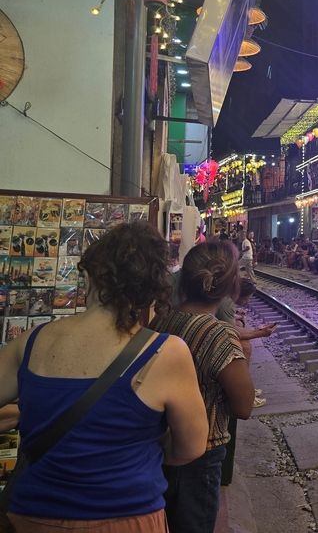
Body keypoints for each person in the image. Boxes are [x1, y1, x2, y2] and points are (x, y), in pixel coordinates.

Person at [0, 223, 208, 532]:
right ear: (150, 291)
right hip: (128, 517)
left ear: (90, 276)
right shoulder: (167, 353)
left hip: (32, 517)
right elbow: (191, 447)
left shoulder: (32, 341)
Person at [151, 242, 255, 533]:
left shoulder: (164, 318)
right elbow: (243, 408)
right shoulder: (219, 334)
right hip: (201, 455)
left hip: (159, 443)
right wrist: (244, 356)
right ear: (231, 286)